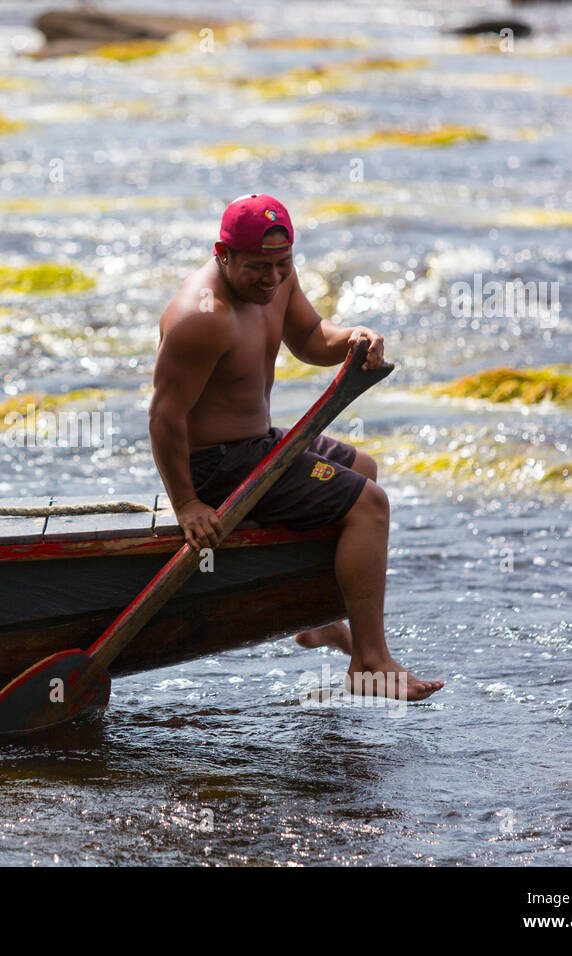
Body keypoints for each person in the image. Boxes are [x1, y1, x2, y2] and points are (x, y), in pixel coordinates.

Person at [149, 193, 442, 701]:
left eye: (282, 264)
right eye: (258, 268)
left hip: (257, 443)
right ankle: (369, 661)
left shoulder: (279, 278)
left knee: (364, 470)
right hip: (215, 467)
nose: (272, 278)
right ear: (223, 254)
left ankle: (319, 620)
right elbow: (163, 416)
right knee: (369, 506)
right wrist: (188, 503)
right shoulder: (201, 317)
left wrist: (351, 337)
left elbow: (309, 337)